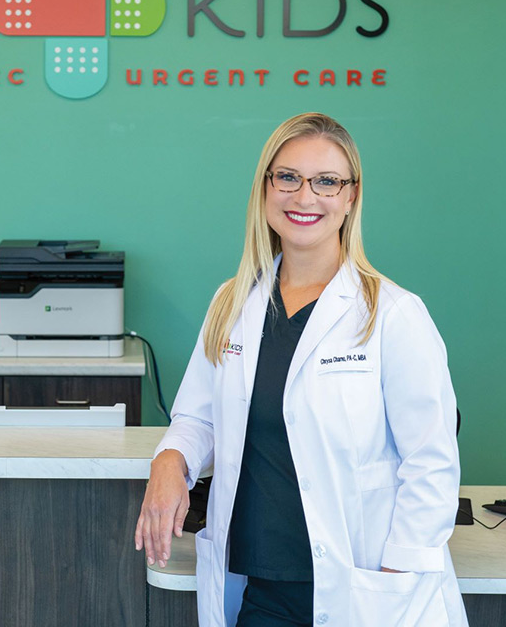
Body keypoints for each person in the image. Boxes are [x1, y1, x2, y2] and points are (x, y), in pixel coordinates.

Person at [135, 113, 467, 627]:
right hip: (263, 591)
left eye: (326, 181)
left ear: (351, 196)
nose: (304, 197)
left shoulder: (393, 314)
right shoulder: (233, 302)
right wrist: (168, 462)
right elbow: (197, 420)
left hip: (363, 593)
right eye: (287, 177)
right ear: (265, 188)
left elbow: (432, 464)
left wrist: (393, 579)